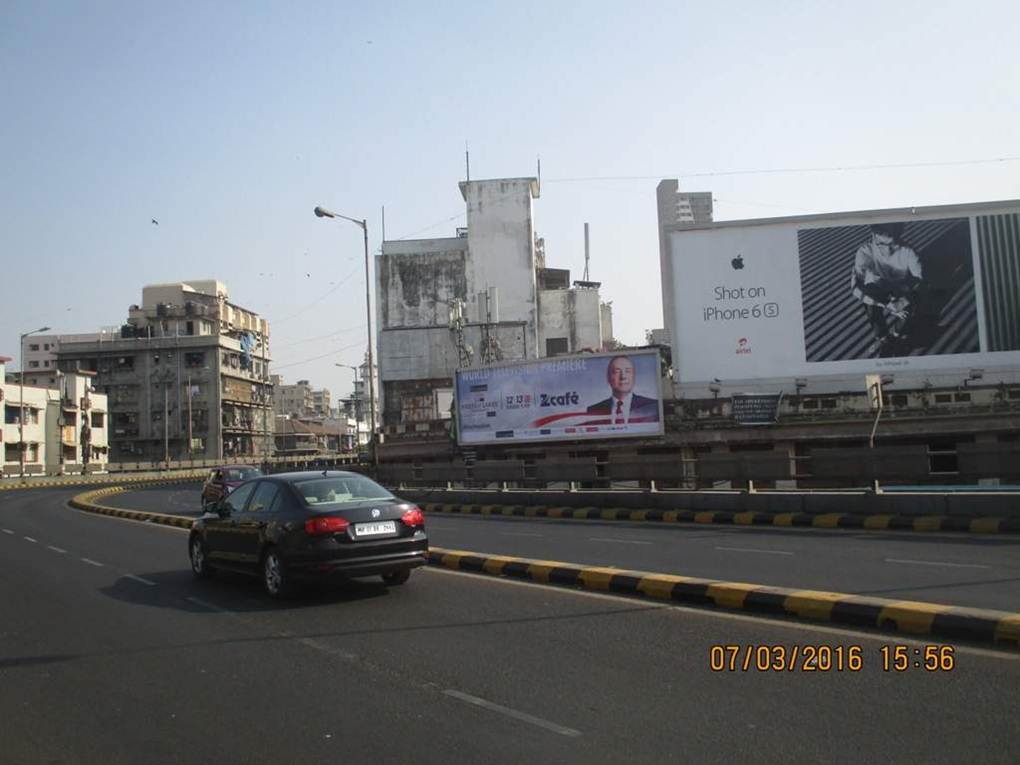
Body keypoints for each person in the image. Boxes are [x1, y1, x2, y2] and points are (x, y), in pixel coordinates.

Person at [849, 222, 923, 356]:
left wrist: (902, 302)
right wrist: (887, 305)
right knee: (869, 302)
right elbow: (856, 288)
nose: (888, 252)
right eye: (882, 245)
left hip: (901, 288)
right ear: (874, 236)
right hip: (879, 287)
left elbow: (921, 282)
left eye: (894, 245)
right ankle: (883, 338)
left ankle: (897, 335)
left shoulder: (909, 252)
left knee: (912, 302)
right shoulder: (865, 252)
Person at [586, 355, 660, 424]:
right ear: (608, 377)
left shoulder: (652, 406)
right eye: (616, 372)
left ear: (633, 376)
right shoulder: (593, 410)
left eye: (627, 371)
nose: (623, 376)